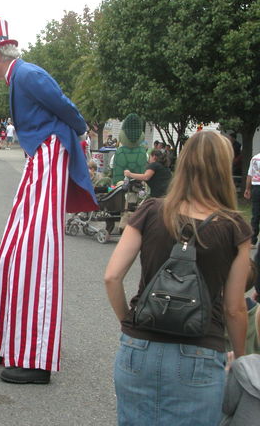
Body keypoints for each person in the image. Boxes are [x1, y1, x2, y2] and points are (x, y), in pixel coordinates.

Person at [0, 16, 96, 384]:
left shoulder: (26, 74)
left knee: (36, 256)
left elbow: (66, 108)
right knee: (11, 253)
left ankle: (36, 359)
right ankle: (10, 341)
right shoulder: (17, 77)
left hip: (49, 155)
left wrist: (79, 133)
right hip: (38, 157)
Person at [104, 131, 251, 426]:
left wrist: (127, 322)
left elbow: (112, 277)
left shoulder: (150, 210)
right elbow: (235, 308)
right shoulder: (234, 227)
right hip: (200, 352)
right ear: (223, 169)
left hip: (138, 350)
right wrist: (241, 357)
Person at [244, 150, 260, 248]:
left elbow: (250, 174)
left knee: (255, 214)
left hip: (256, 188)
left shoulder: (255, 158)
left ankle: (252, 240)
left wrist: (247, 188)